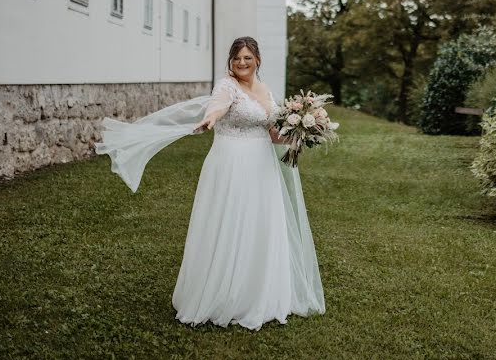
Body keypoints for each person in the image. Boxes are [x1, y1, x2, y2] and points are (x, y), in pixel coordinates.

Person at [95, 36, 325, 331]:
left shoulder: (265, 91)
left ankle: (259, 293)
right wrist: (210, 120)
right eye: (237, 58)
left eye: (247, 58)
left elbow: (272, 133)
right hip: (230, 162)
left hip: (262, 167)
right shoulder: (226, 86)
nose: (242, 63)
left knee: (259, 224)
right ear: (231, 61)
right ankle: (222, 293)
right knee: (229, 222)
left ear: (258, 60)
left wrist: (304, 133)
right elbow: (217, 107)